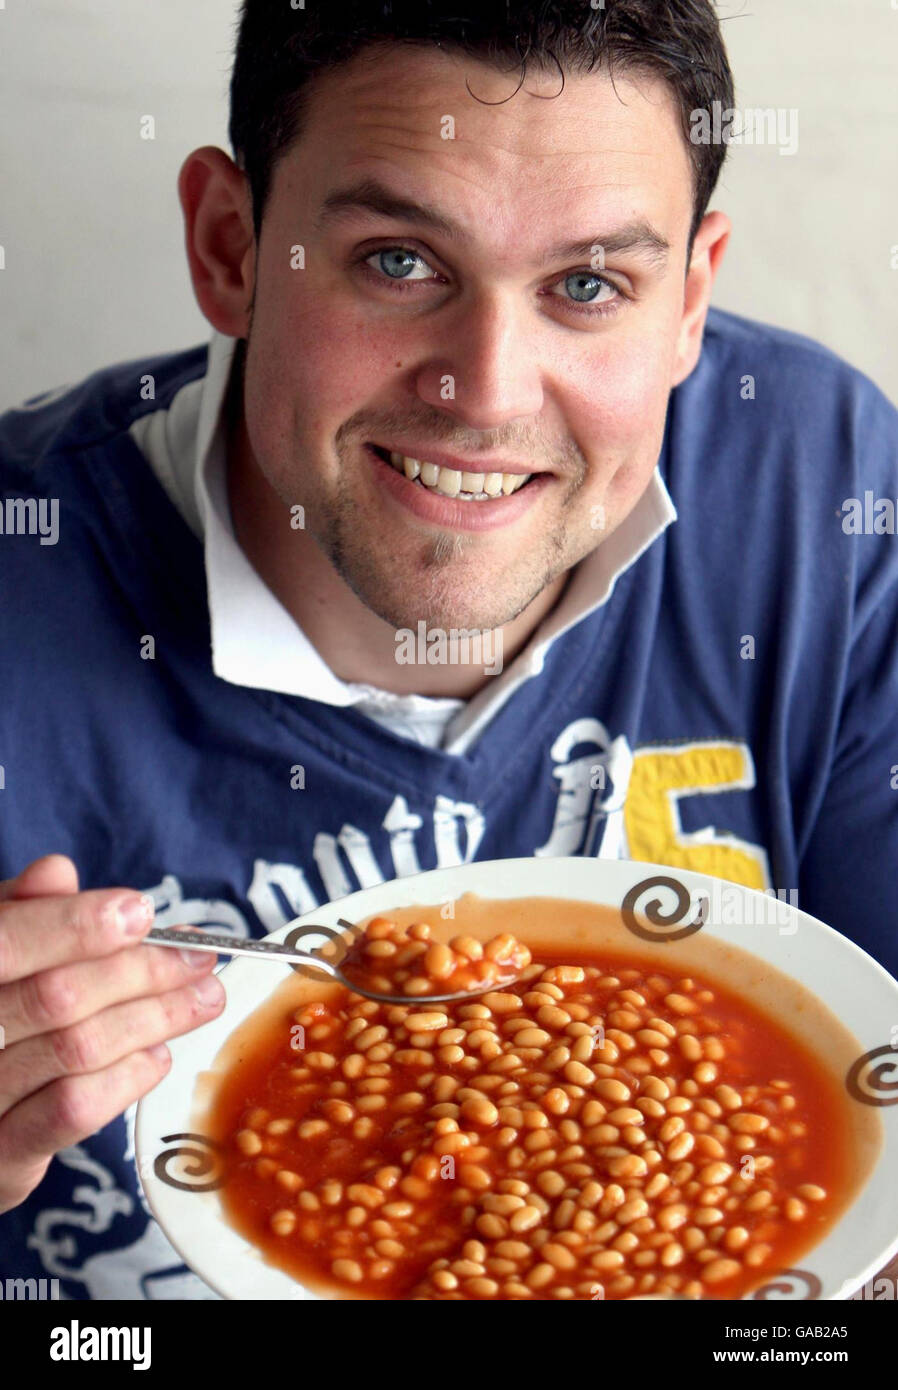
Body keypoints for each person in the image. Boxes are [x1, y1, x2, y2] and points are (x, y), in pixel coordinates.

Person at [1, 0, 896, 1300]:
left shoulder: (821, 490)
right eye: (397, 263)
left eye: (587, 284)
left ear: (690, 296)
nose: (483, 389)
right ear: (230, 244)